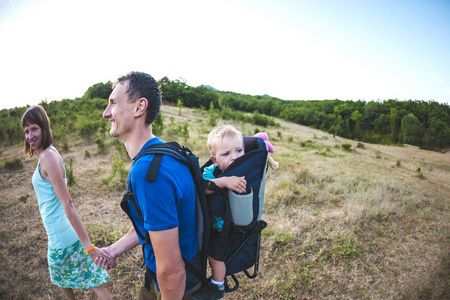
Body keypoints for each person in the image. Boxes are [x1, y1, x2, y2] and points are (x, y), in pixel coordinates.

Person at [95, 71, 201, 300]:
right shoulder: (167, 152)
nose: (106, 113)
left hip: (173, 289)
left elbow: (172, 271)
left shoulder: (149, 172)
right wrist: (112, 250)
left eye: (113, 103)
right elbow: (159, 222)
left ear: (139, 107)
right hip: (165, 279)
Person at [21, 105, 112, 300]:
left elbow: (68, 203)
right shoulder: (48, 155)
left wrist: (89, 246)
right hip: (60, 236)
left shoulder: (48, 157)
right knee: (67, 280)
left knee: (78, 280)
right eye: (26, 131)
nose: (30, 136)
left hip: (62, 238)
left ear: (45, 127)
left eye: (34, 129)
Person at [193, 125, 248, 300]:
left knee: (215, 256)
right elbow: (202, 187)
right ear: (214, 160)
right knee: (208, 253)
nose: (234, 157)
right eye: (226, 154)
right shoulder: (211, 171)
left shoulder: (245, 171)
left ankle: (218, 286)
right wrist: (223, 181)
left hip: (228, 227)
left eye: (239, 150)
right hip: (212, 223)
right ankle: (215, 279)